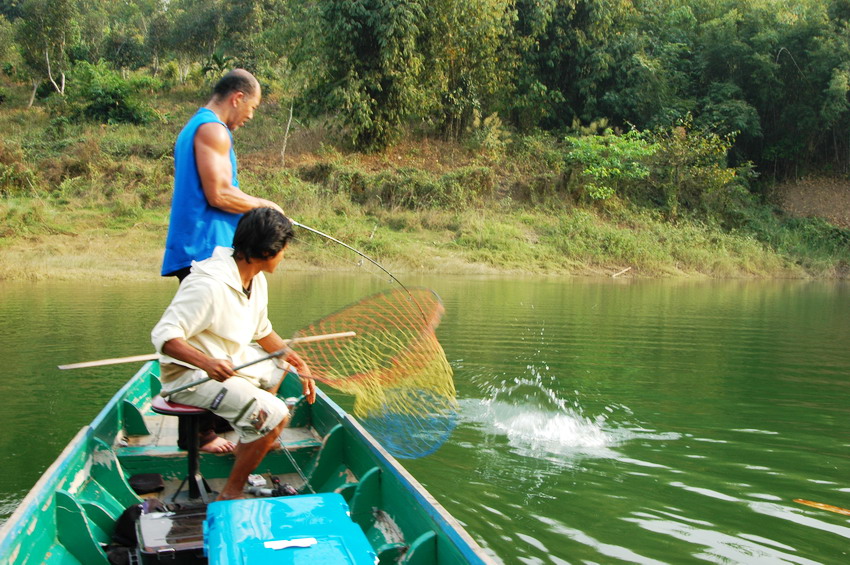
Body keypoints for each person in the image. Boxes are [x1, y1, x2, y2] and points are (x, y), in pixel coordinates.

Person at [152, 208, 316, 500]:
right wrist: (207, 363)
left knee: (280, 367)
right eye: (283, 251)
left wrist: (295, 359)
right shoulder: (208, 284)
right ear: (268, 251)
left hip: (228, 359)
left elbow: (262, 330)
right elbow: (164, 336)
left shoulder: (255, 278)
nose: (284, 257)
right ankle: (231, 492)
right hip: (190, 376)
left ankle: (251, 438)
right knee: (275, 414)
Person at [161, 69, 282, 453]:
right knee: (204, 347)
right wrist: (269, 207)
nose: (250, 115)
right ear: (237, 97)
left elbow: (227, 190)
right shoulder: (213, 130)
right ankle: (200, 436)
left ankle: (219, 422)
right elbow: (219, 194)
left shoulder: (198, 127)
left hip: (202, 245)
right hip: (204, 248)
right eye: (253, 106)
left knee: (219, 343)